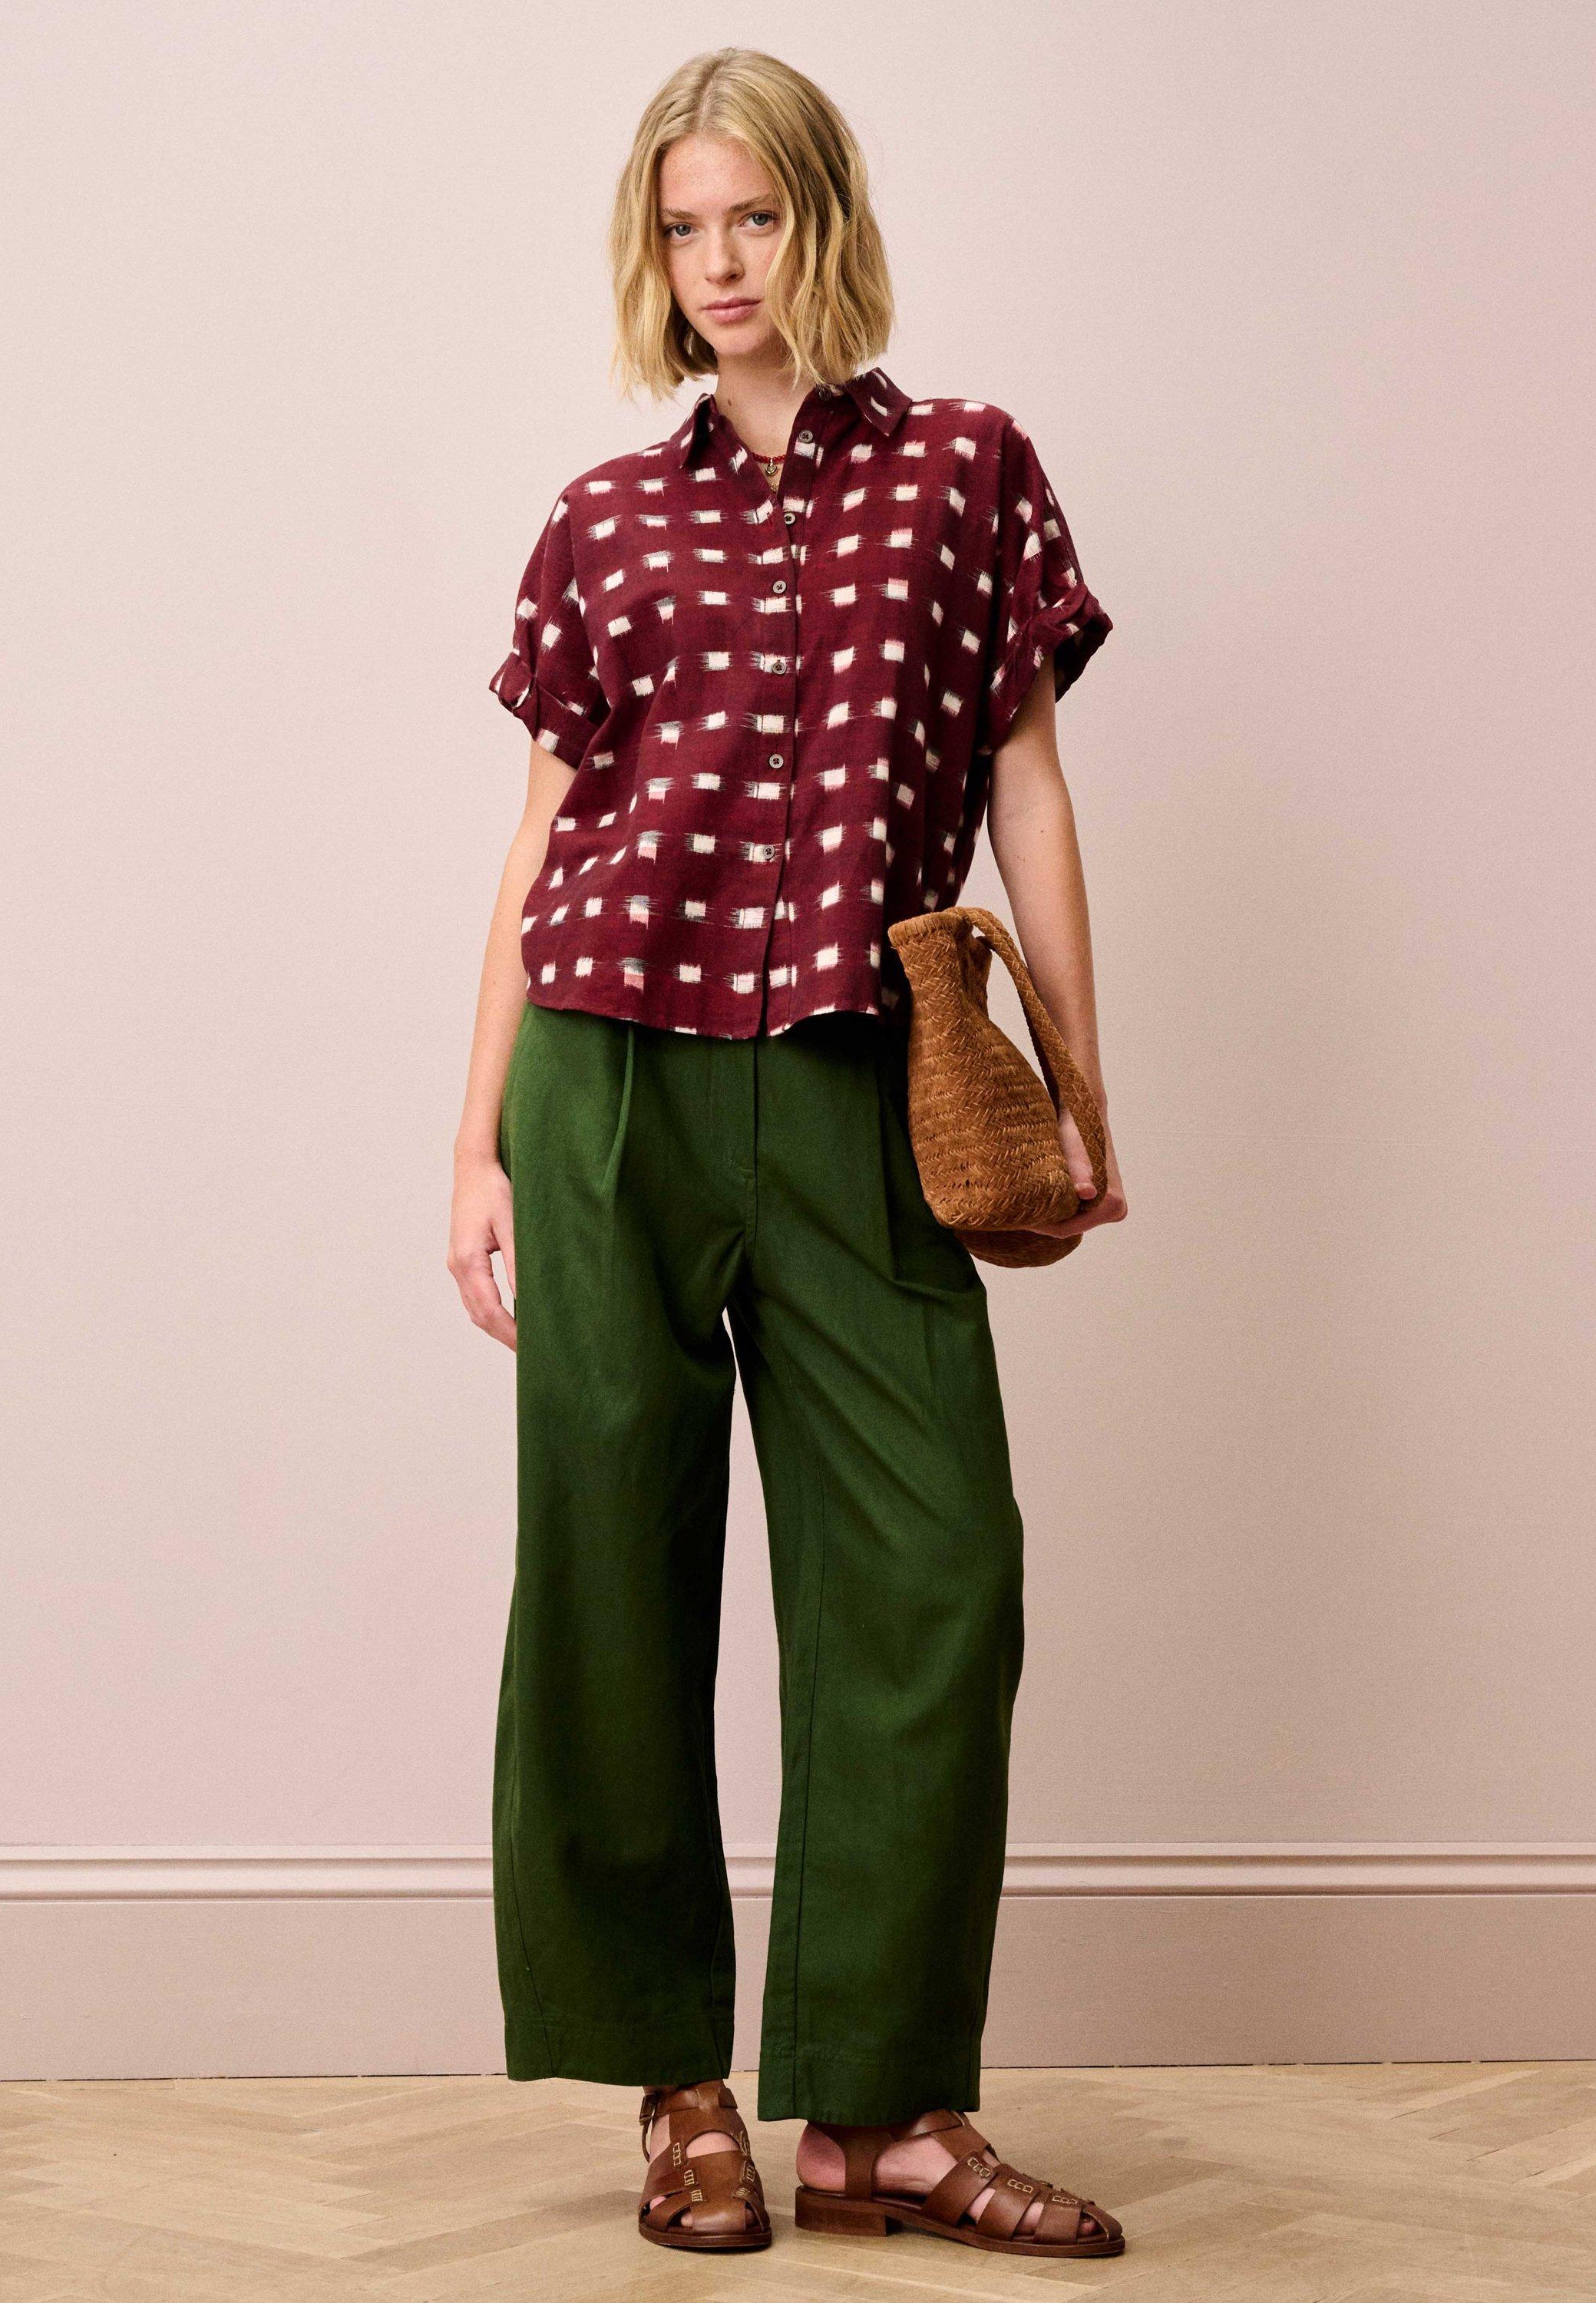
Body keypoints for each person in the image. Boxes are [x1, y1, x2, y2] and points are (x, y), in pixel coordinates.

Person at [448, 45, 1128, 2264]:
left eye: (751, 216)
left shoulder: (966, 472)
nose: (717, 263)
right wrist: (473, 1143)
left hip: (859, 1083)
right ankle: (677, 2091)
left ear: (820, 220)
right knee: (610, 1574)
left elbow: (1025, 788)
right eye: (681, 227)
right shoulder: (602, 518)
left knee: (936, 1568)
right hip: (609, 1090)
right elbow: (541, 842)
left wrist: (1083, 1083)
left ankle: (882, 2112)